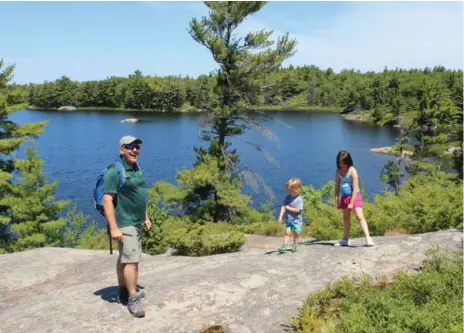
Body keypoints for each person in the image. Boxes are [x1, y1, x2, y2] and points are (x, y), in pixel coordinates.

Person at [103, 135, 152, 318]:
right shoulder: (114, 171)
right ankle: (133, 297)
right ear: (121, 149)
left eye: (137, 146)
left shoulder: (136, 168)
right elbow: (107, 200)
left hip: (137, 220)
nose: (135, 150)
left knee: (125, 257)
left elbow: (140, 195)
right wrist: (114, 227)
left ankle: (123, 290)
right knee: (132, 261)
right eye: (130, 146)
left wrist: (145, 217)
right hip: (125, 222)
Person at [334, 150, 374, 247]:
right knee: (346, 218)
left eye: (344, 163)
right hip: (344, 197)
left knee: (359, 216)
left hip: (355, 196)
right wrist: (336, 199)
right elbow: (337, 187)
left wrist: (352, 202)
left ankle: (368, 238)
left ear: (348, 162)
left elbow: (355, 188)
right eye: (340, 163)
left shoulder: (352, 171)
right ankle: (345, 239)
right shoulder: (338, 172)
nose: (341, 165)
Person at [278, 178, 304, 253]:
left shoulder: (299, 199)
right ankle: (284, 246)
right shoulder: (288, 197)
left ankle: (295, 244)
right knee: (287, 232)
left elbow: (298, 210)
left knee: (296, 233)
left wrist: (289, 208)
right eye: (288, 190)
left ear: (296, 190)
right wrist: (280, 216)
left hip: (297, 220)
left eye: (290, 190)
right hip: (288, 220)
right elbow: (283, 206)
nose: (288, 192)